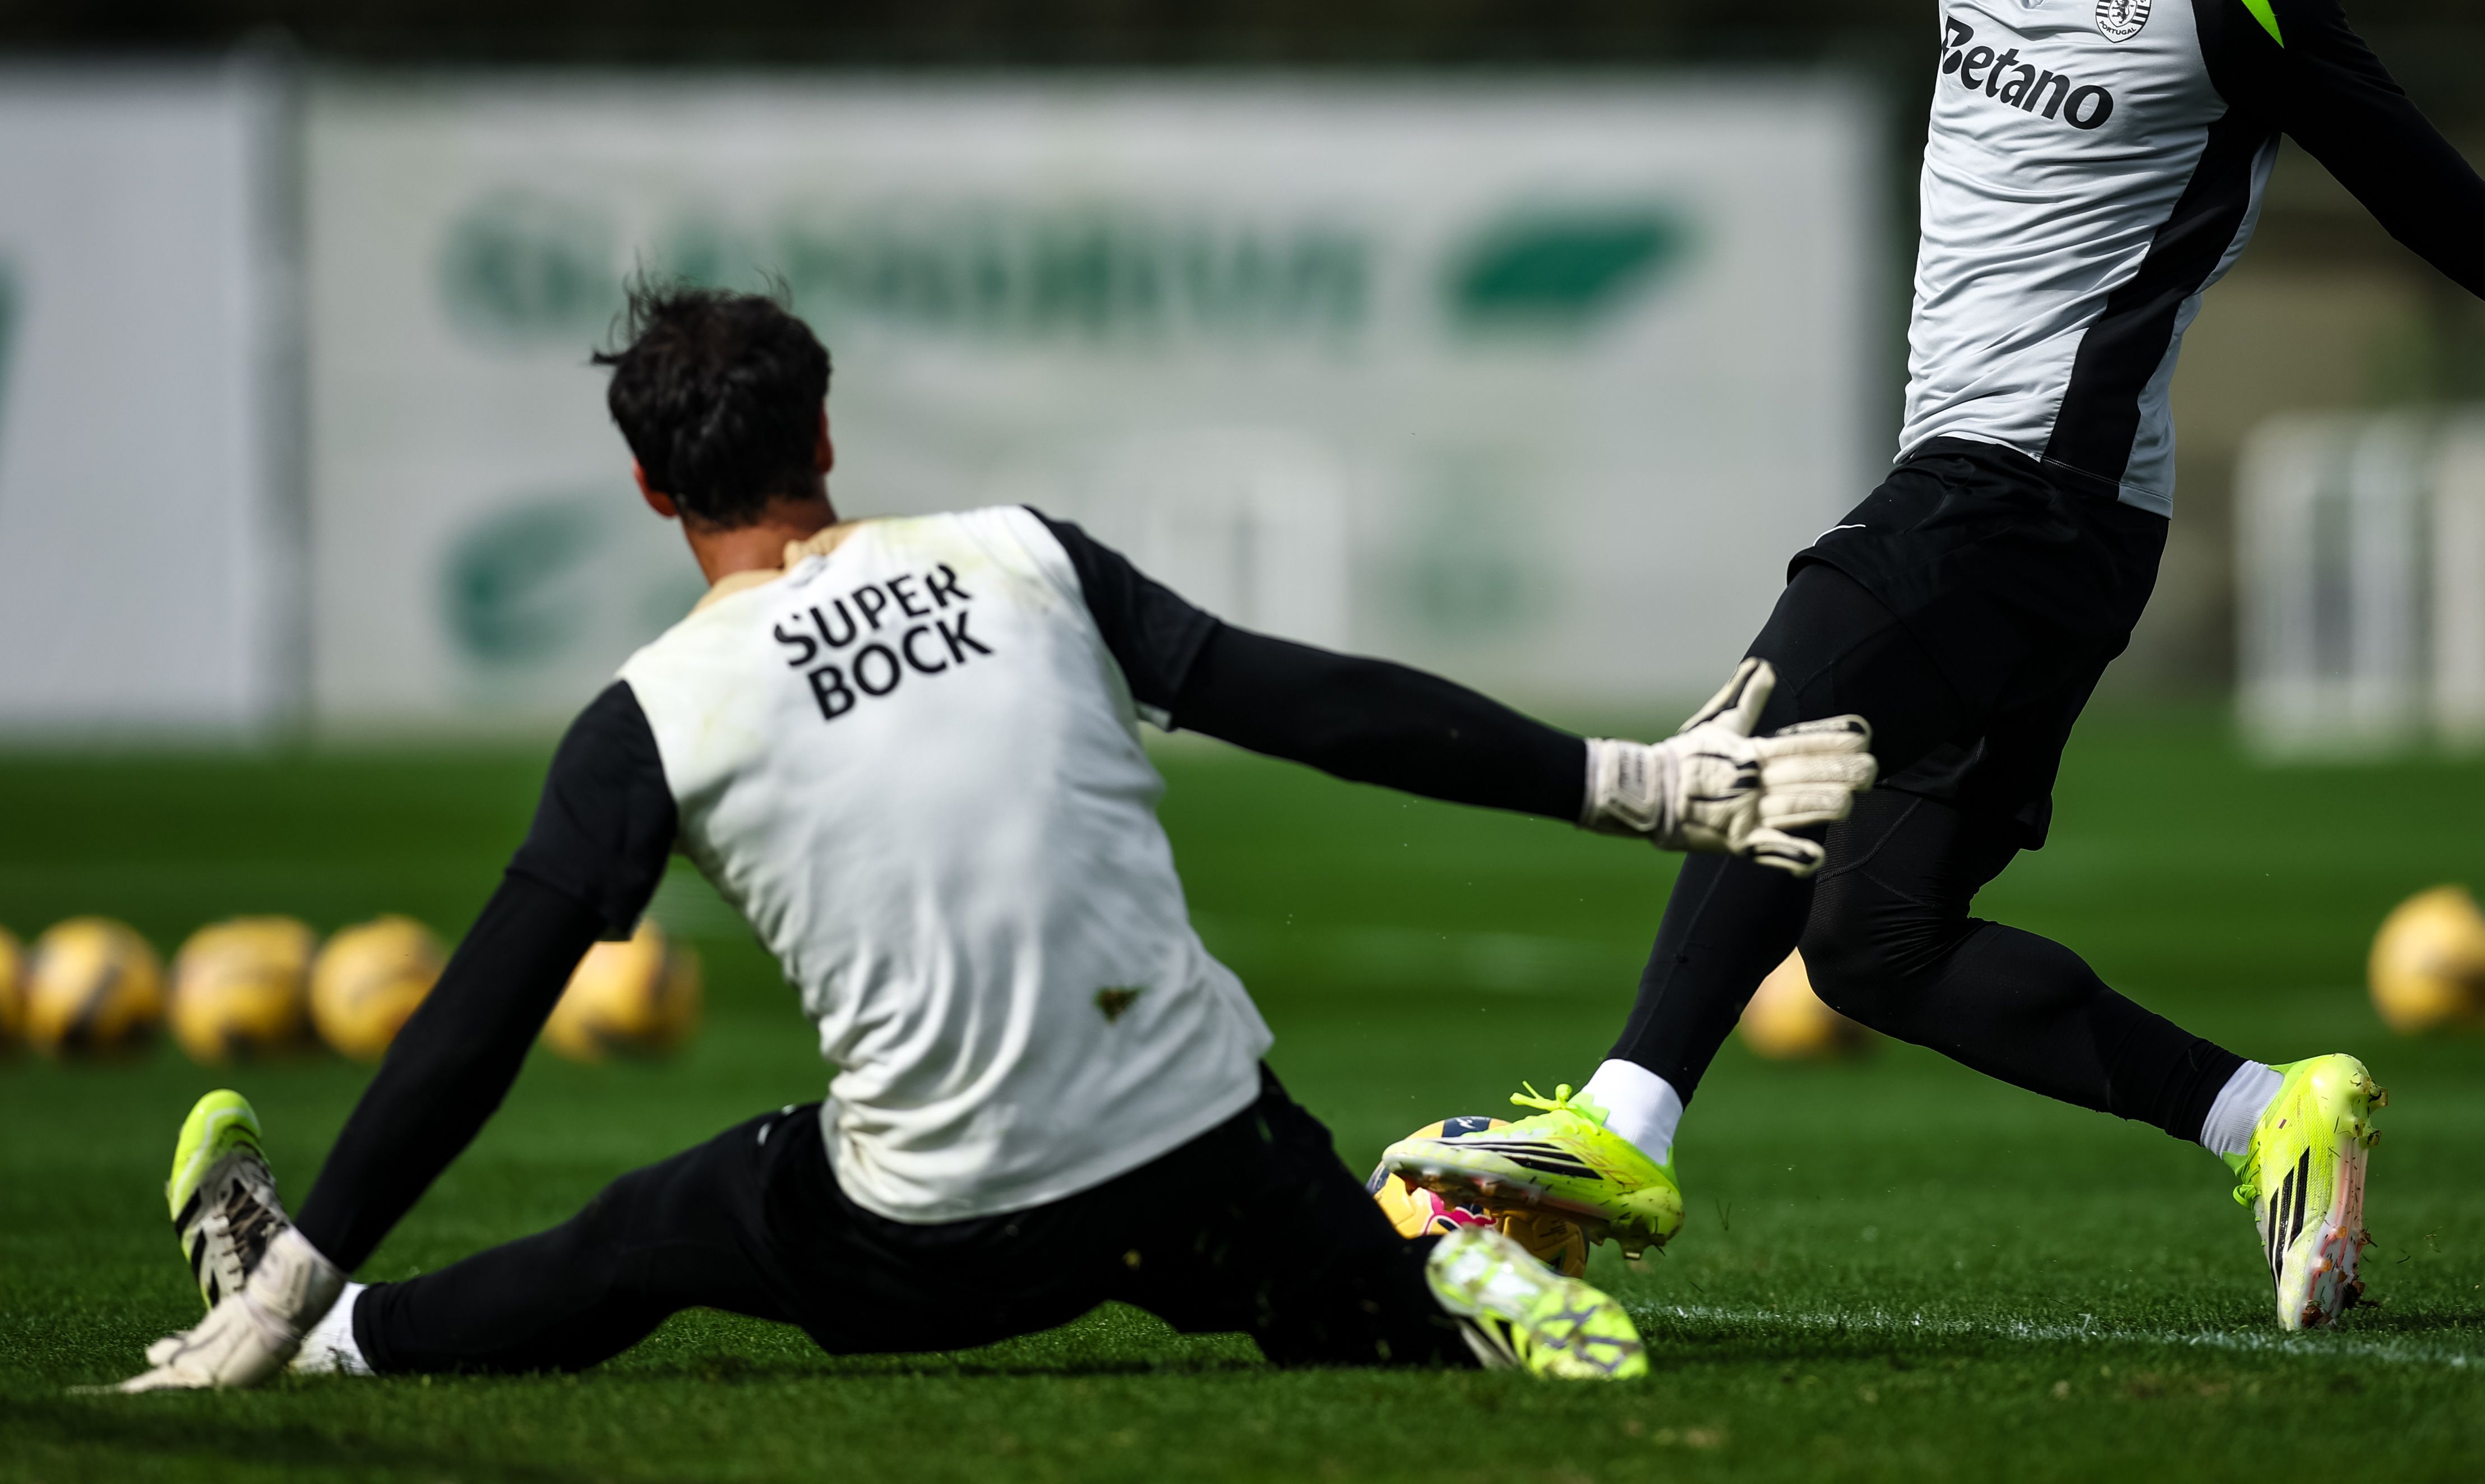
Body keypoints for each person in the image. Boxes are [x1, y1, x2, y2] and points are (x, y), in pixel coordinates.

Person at [1384, 0, 2485, 1332]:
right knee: (1876, 948)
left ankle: (1622, 1126)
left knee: (1759, 739)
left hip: (2022, 498)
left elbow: (2423, 186)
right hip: (2058, 531)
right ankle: (2265, 1116)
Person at [115, 284, 1876, 1393]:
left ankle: (317, 1327)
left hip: (938, 1231)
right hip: (1210, 1157)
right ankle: (1443, 1293)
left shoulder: (650, 712)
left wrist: (297, 1278)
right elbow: (1308, 702)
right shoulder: (1023, 557)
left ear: (651, 489)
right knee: (1332, 1287)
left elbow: (480, 1019)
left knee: (651, 1232)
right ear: (823, 433)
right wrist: (1635, 784)